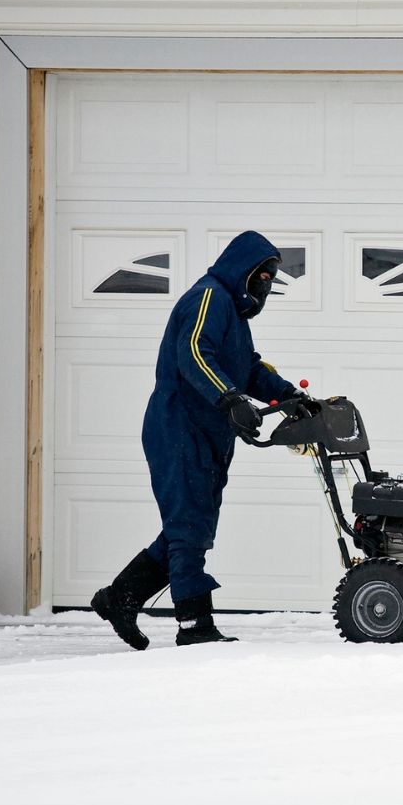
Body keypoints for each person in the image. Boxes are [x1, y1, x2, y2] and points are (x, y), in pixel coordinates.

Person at [91, 230, 297, 648]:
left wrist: (289, 395)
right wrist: (230, 398)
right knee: (187, 527)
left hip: (209, 433)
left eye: (271, 278)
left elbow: (249, 368)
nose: (265, 285)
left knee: (193, 529)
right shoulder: (209, 298)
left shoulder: (234, 316)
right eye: (262, 275)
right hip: (178, 427)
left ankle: (120, 598)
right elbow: (194, 353)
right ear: (243, 270)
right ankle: (194, 625)